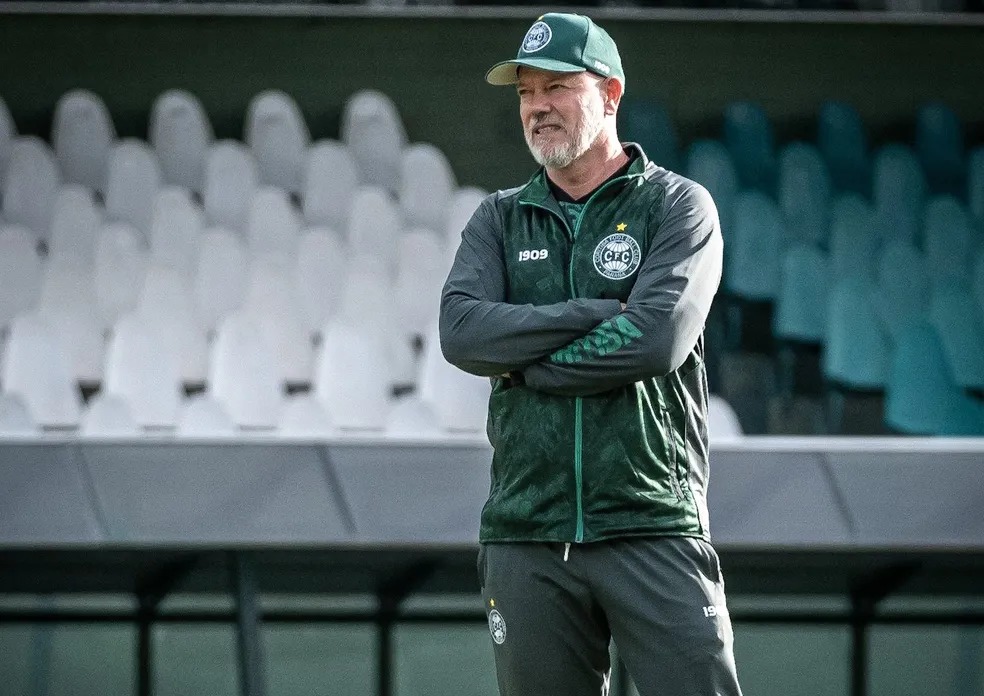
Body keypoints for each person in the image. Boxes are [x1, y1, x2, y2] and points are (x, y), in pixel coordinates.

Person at [439, 12, 743, 696]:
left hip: (650, 521)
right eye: (525, 93)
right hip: (527, 532)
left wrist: (529, 364)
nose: (537, 106)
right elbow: (462, 333)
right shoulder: (497, 219)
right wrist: (591, 314)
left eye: (556, 88)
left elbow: (657, 340)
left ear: (609, 95)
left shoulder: (678, 207)